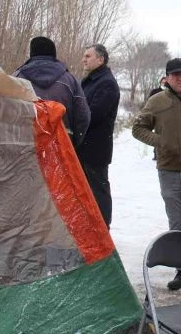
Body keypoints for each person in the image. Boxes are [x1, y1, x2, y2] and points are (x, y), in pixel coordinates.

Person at [132, 57, 181, 290]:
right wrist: (160, 141)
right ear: (167, 78)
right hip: (169, 170)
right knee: (177, 224)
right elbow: (138, 128)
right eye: (176, 74)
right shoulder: (157, 100)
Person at [13, 36, 90, 148]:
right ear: (53, 54)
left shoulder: (15, 78)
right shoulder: (70, 80)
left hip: (24, 150)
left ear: (32, 54)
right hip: (61, 149)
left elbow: (4, 114)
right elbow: (83, 116)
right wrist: (72, 143)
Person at [77, 43, 120, 227]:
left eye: (88, 56)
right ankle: (89, 230)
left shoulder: (107, 83)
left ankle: (103, 230)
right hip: (83, 147)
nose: (83, 59)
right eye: (84, 56)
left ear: (101, 59)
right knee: (85, 192)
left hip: (95, 150)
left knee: (98, 192)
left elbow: (92, 114)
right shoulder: (90, 81)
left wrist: (71, 116)